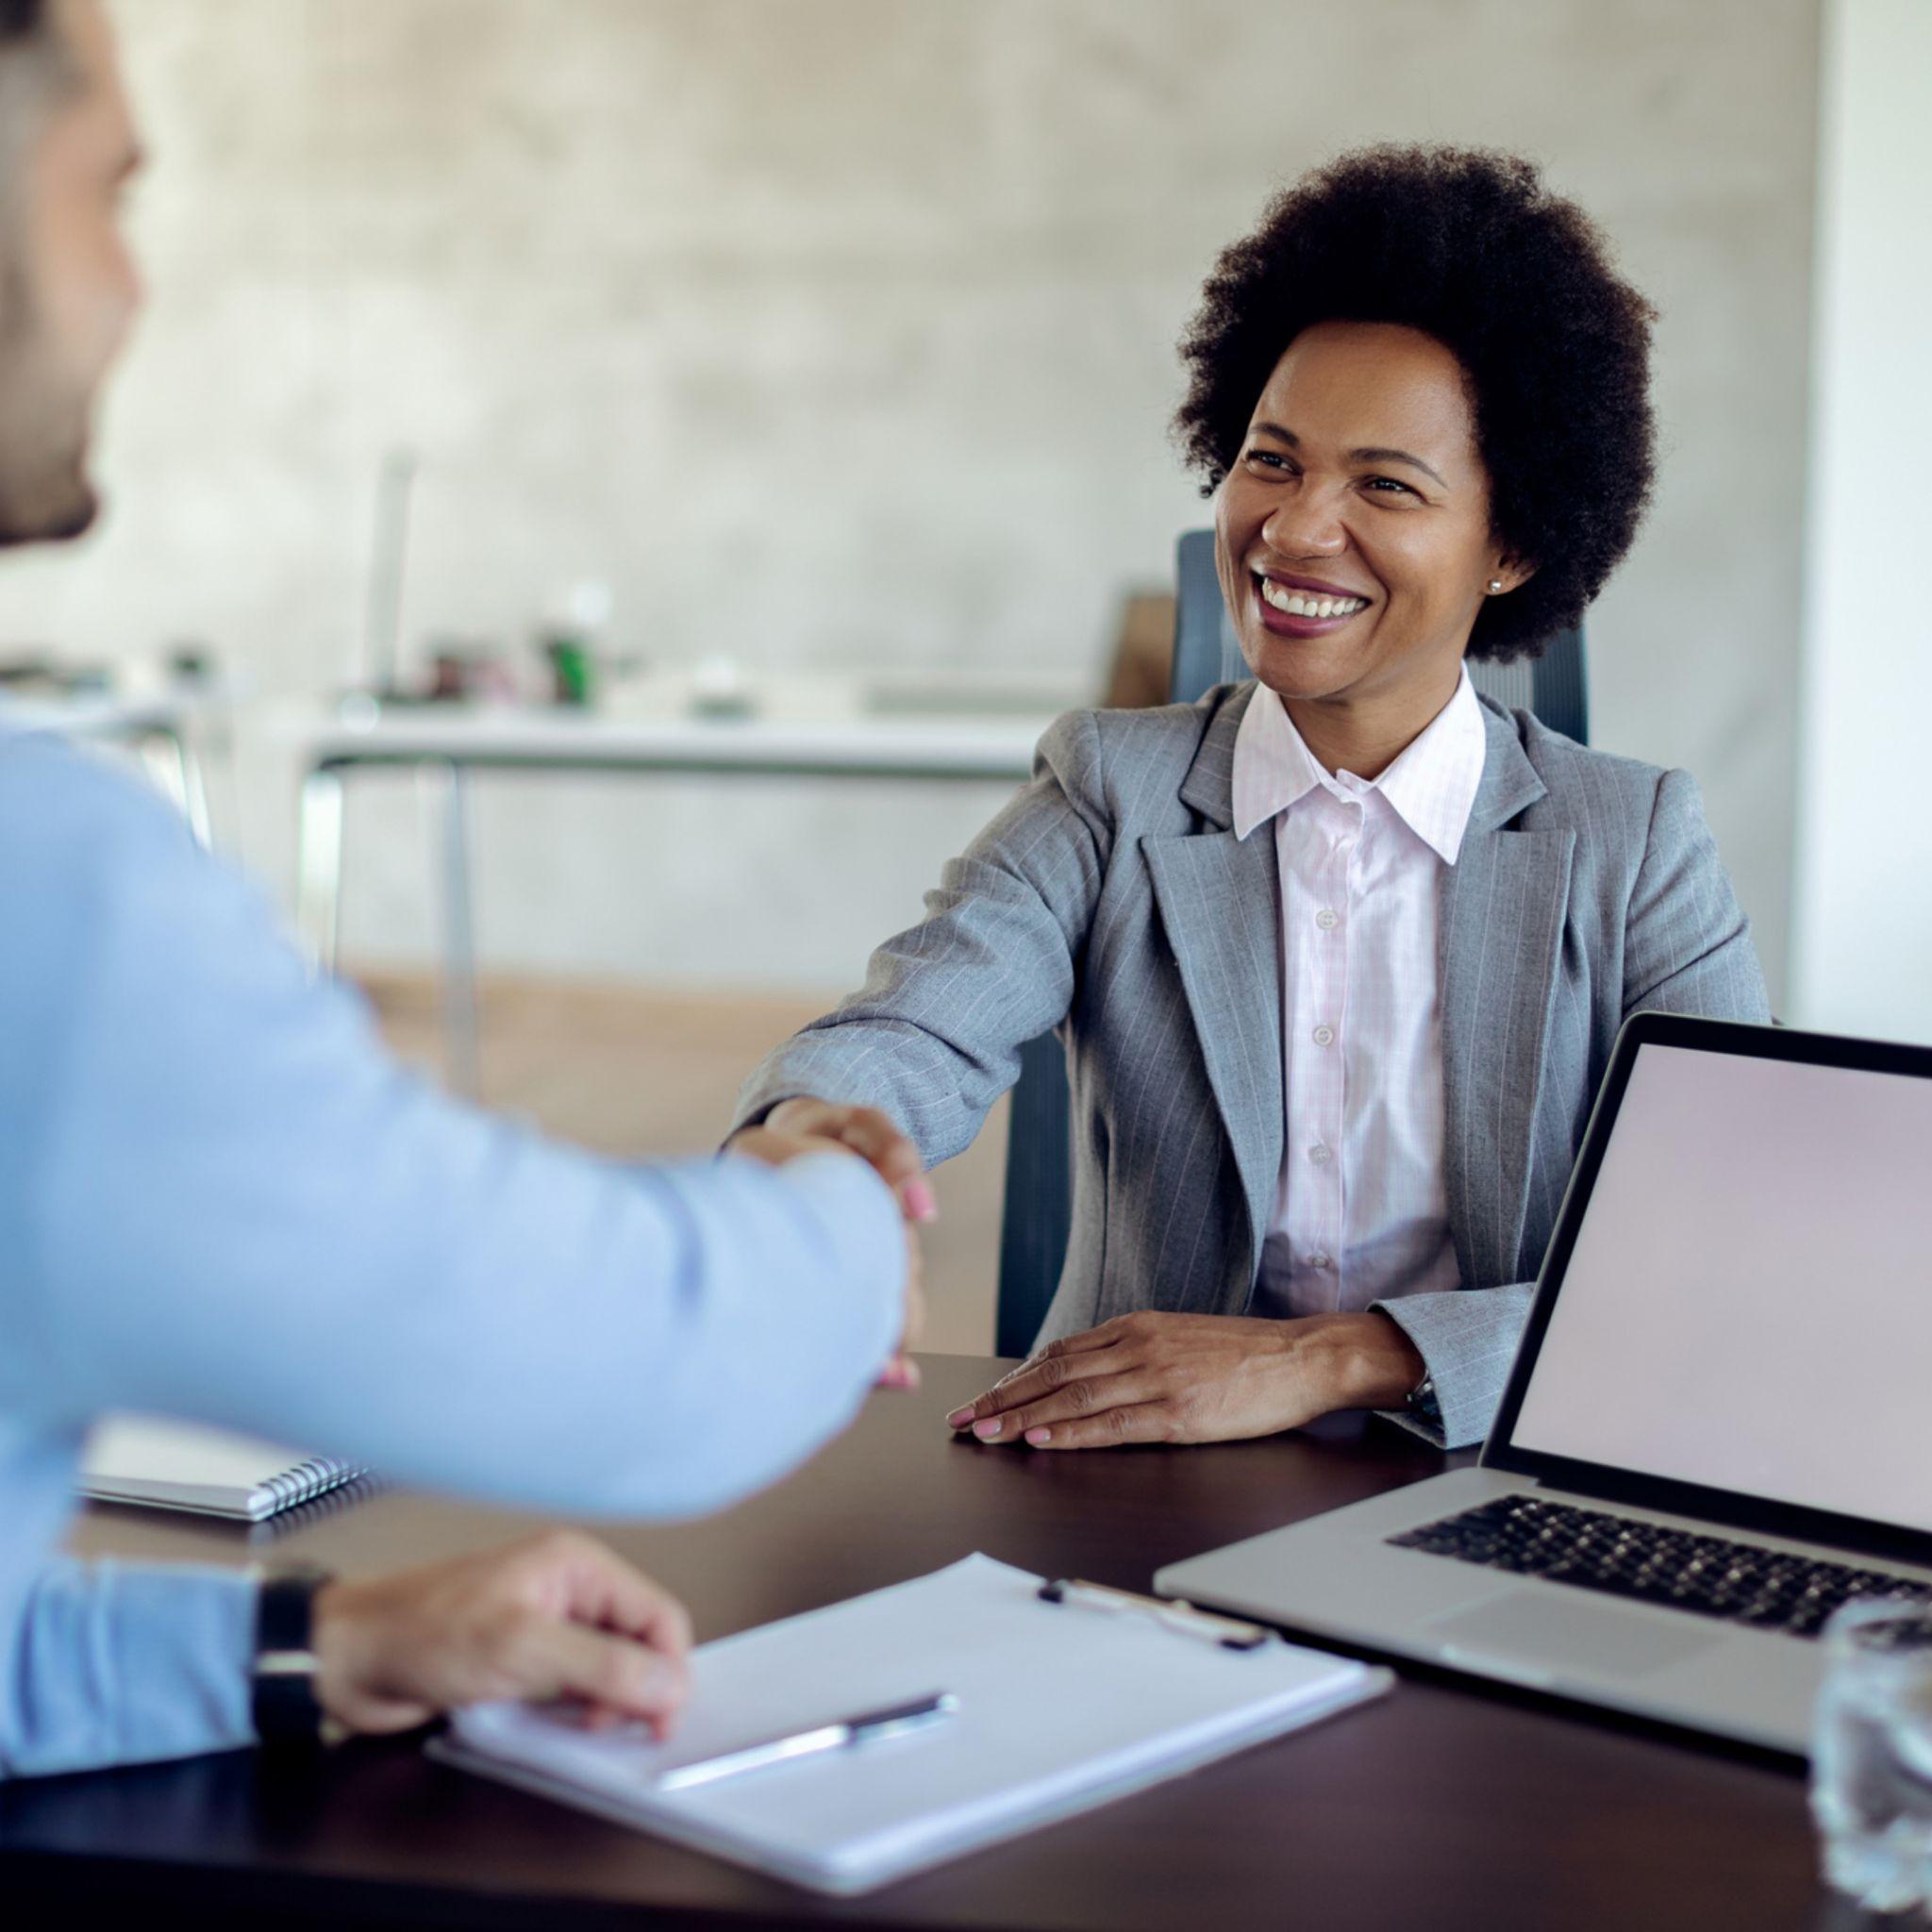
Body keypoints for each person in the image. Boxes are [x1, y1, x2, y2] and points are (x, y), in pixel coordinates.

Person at [0, 0, 917, 1780]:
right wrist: (837, 1197)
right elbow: (658, 1363)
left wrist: (312, 1645)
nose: (131, 286)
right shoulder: (48, 904)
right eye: (107, 193)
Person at [730, 144, 1770, 1456]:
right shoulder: (1111, 790)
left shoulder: (1638, 848)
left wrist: (1341, 1359)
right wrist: (817, 1129)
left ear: (1511, 547)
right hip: (1137, 1487)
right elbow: (919, 1025)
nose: (1291, 529)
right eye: (1272, 461)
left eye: (1384, 485)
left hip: (1490, 1476)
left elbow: (1731, 1259)